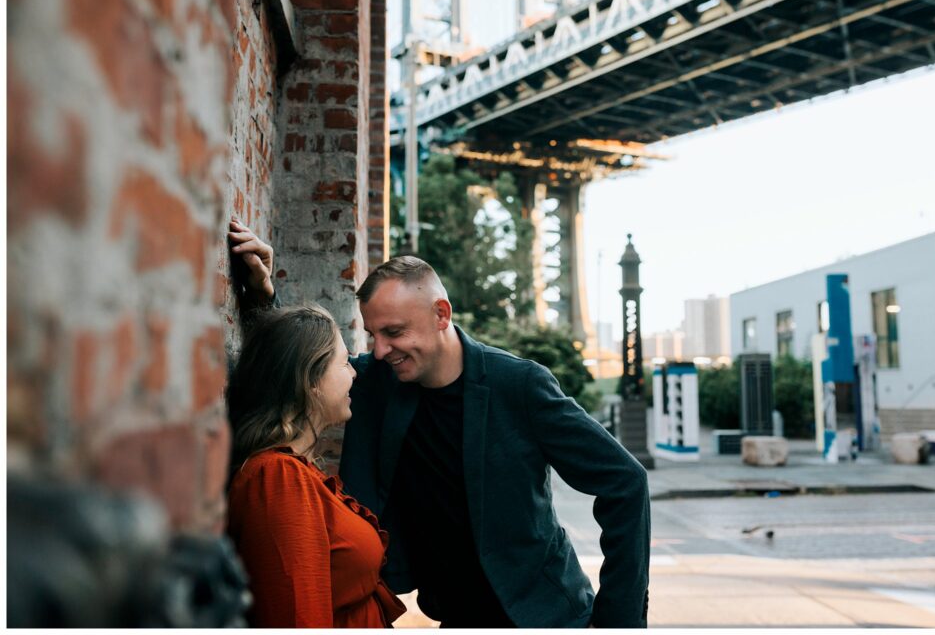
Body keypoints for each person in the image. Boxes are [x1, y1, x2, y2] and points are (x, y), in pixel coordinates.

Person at [229, 219, 651, 628]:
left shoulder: (519, 385)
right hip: (456, 617)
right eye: (373, 335)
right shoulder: (379, 379)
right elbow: (304, 369)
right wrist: (264, 296)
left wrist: (619, 621)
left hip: (545, 617)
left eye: (393, 332)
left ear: (441, 314)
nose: (379, 350)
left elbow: (625, 483)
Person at [224, 301, 406, 628]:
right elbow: (296, 616)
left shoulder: (296, 471)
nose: (354, 372)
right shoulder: (276, 479)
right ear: (311, 380)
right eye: (343, 363)